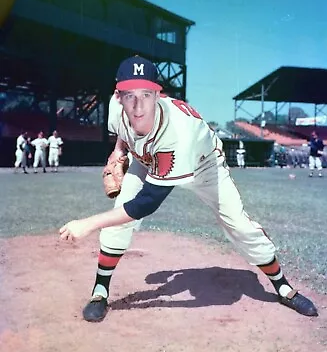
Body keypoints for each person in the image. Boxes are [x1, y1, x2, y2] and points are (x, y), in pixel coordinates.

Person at [59, 55, 318, 323]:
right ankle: (100, 291)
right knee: (117, 221)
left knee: (240, 227)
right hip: (147, 159)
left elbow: (146, 204)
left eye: (146, 94)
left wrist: (88, 223)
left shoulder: (178, 132)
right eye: (129, 95)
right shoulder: (115, 109)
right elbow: (125, 129)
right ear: (118, 95)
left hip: (205, 167)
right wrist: (118, 152)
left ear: (158, 94)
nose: (137, 105)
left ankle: (283, 287)